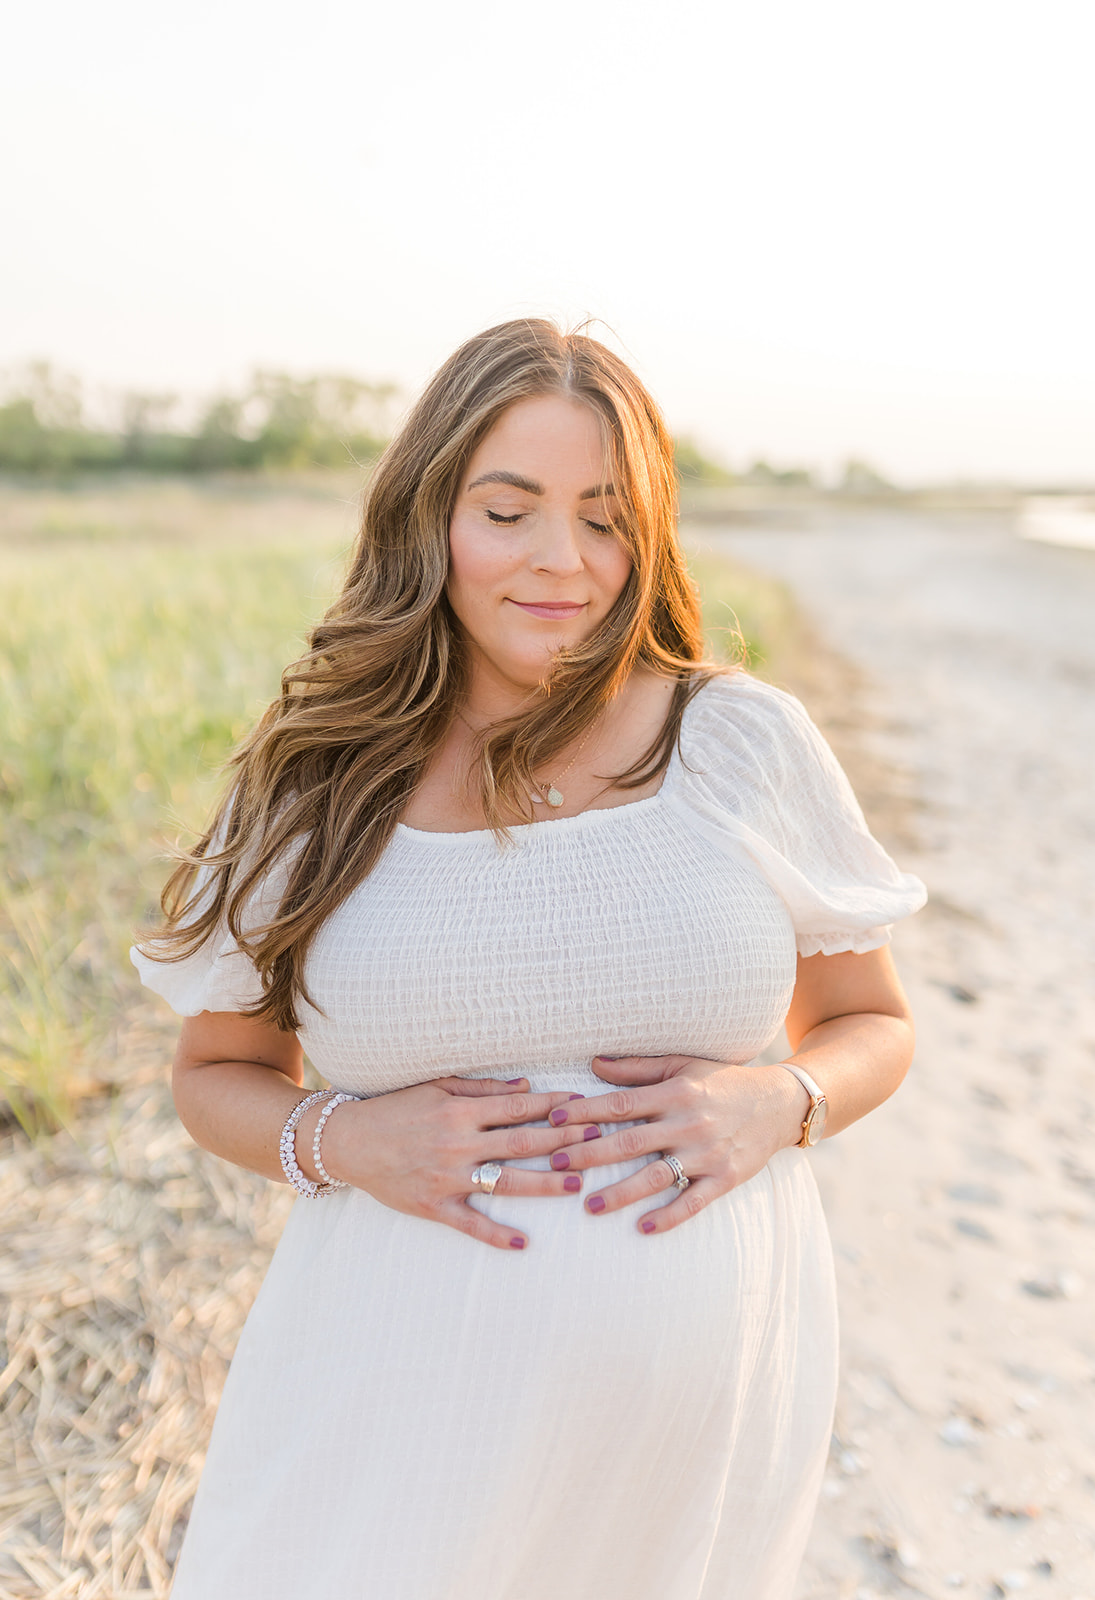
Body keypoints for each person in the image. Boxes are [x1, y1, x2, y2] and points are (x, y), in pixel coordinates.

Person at [132, 318, 926, 1600]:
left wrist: (778, 1101)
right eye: (509, 511)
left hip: (690, 1437)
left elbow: (873, 1022)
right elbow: (214, 1068)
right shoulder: (318, 777)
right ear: (429, 514)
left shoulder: (742, 741)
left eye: (606, 518)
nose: (565, 561)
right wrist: (345, 1141)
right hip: (382, 1407)